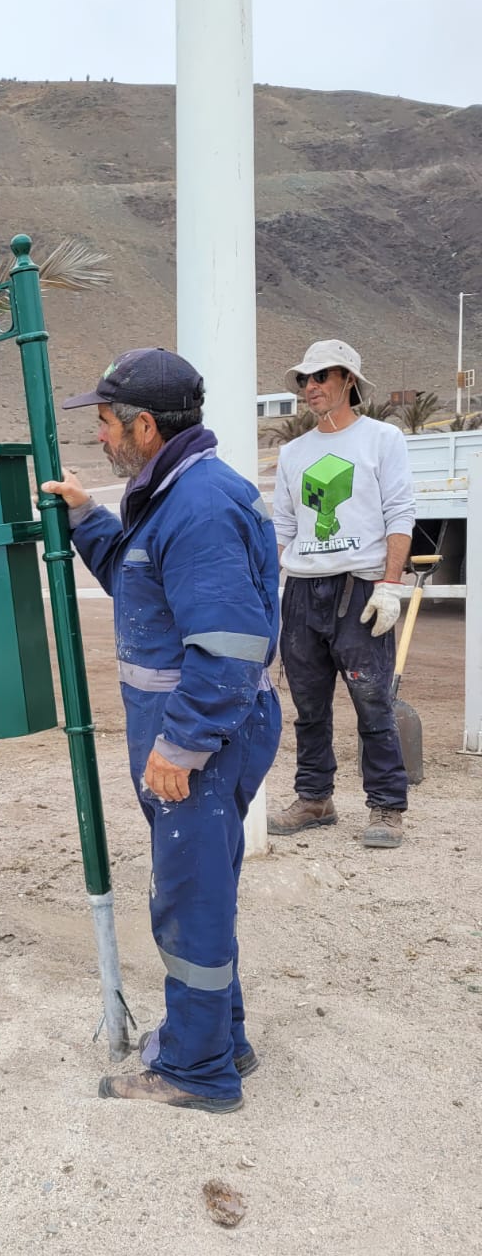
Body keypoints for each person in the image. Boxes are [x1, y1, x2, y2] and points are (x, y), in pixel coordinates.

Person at [43, 348, 281, 1113]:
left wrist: (180, 746)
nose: (100, 435)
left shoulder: (200, 505)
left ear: (146, 426)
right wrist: (86, 517)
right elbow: (142, 584)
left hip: (201, 742)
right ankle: (222, 1039)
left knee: (189, 900)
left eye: (107, 421)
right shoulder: (174, 494)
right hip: (198, 736)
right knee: (202, 889)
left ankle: (195, 1070)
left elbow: (228, 645)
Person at [267, 340, 416, 849]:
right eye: (304, 379)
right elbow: (283, 524)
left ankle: (387, 806)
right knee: (308, 704)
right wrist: (270, 588)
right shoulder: (292, 453)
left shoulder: (382, 439)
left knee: (372, 700)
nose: (311, 387)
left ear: (347, 380)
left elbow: (400, 514)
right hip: (304, 591)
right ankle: (314, 798)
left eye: (321, 376)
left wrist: (390, 586)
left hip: (361, 587)